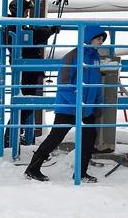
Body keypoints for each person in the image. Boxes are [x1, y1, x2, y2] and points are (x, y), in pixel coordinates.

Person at [25, 24, 108, 182]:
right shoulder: (72, 56)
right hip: (69, 108)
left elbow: (97, 83)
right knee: (55, 138)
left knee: (89, 139)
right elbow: (63, 83)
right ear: (88, 38)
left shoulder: (95, 58)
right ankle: (32, 168)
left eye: (102, 39)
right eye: (98, 38)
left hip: (87, 108)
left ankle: (81, 173)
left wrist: (97, 103)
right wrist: (77, 103)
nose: (101, 42)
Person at [5, 0, 58, 144]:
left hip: (28, 68)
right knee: (25, 104)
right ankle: (11, 137)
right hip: (26, 68)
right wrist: (49, 30)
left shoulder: (14, 24)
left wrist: (47, 30)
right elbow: (33, 36)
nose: (27, 14)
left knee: (26, 104)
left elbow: (33, 34)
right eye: (26, 11)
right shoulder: (14, 26)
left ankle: (15, 134)